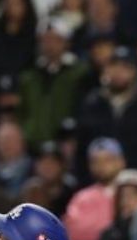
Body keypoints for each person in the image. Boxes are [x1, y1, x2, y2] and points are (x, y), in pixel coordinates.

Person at [19, 17, 91, 147]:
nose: (50, 45)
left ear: (67, 43)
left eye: (55, 40)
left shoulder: (80, 72)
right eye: (45, 40)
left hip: (66, 142)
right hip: (34, 142)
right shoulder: (29, 75)